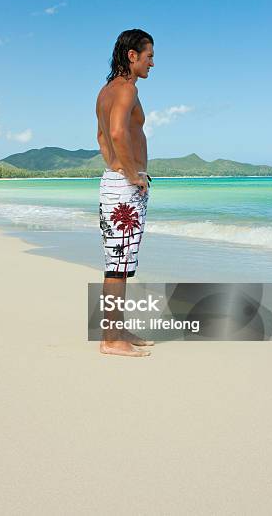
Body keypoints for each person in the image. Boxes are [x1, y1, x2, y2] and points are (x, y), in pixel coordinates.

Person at [96, 29, 155, 357]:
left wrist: (116, 168)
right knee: (118, 267)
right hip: (125, 188)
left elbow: (101, 137)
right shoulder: (126, 90)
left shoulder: (105, 91)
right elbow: (117, 132)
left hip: (114, 183)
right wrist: (132, 175)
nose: (152, 63)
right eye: (148, 56)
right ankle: (111, 340)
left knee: (118, 264)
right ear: (132, 56)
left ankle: (115, 330)